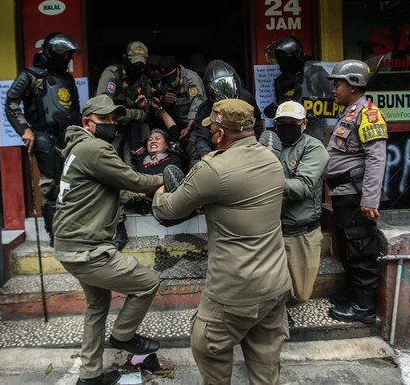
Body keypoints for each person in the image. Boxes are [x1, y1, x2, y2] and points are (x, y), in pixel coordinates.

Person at [152, 99, 292, 384]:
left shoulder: (214, 168)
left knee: (207, 347)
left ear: (219, 133)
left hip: (234, 291)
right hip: (275, 284)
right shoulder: (273, 160)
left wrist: (158, 193)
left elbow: (168, 209)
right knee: (266, 367)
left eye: (213, 129)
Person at [53, 95, 163, 385]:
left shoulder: (77, 148)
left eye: (114, 119)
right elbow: (133, 179)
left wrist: (137, 194)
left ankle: (89, 376)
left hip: (70, 245)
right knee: (148, 282)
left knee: (97, 305)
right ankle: (123, 336)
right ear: (86, 123)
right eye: (104, 120)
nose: (111, 125)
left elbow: (107, 191)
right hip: (87, 249)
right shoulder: (95, 148)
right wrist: (162, 180)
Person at [324, 60, 388, 324]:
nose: (334, 89)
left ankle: (363, 307)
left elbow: (376, 158)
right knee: (349, 248)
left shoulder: (368, 114)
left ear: (353, 85)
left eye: (338, 84)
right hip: (343, 193)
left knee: (361, 250)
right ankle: (353, 295)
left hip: (356, 195)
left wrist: (370, 199)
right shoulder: (350, 112)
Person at [5, 32, 81, 246]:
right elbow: (11, 102)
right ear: (51, 53)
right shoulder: (31, 75)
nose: (68, 58)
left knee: (72, 184)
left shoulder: (67, 78)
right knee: (53, 187)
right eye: (65, 54)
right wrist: (24, 129)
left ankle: (74, 230)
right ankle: (56, 236)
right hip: (43, 135)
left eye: (70, 54)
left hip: (69, 136)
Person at [260, 101, 329, 328]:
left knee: (300, 293)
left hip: (301, 231)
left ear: (304, 123)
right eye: (281, 123)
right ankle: (273, 316)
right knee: (267, 283)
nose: (286, 127)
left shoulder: (313, 148)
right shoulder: (268, 145)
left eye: (292, 123)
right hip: (270, 230)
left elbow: (303, 187)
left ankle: (279, 310)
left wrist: (267, 176)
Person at [95, 41, 153, 249]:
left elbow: (146, 113)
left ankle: (139, 201)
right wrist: (133, 112)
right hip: (110, 131)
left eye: (140, 64)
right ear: (124, 58)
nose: (137, 68)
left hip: (133, 133)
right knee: (111, 174)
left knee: (133, 167)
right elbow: (103, 108)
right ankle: (118, 225)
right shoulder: (112, 75)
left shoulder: (143, 81)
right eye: (133, 63)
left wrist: (140, 109)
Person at [189, 59, 264, 163]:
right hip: (219, 151)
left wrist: (260, 141)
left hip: (246, 144)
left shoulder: (246, 98)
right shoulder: (205, 109)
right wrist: (206, 157)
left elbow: (259, 121)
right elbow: (201, 137)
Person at [157, 55, 206, 143]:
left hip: (195, 124)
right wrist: (163, 100)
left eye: (171, 76)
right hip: (177, 124)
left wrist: (188, 127)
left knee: (194, 144)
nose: (169, 80)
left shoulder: (191, 80)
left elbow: (197, 106)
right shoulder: (166, 82)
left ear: (178, 69)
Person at [262, 36, 307, 126]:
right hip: (288, 125)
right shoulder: (281, 80)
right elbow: (282, 101)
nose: (283, 58)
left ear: (297, 54)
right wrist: (276, 109)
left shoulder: (313, 73)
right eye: (280, 55)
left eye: (286, 54)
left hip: (310, 123)